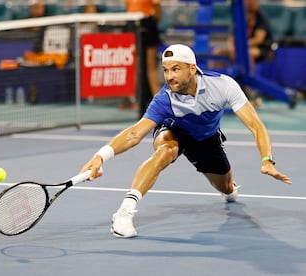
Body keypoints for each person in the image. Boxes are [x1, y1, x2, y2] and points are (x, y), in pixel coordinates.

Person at [79, 44, 292, 238]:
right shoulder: (164, 99)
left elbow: (256, 125)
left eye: (175, 69)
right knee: (166, 150)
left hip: (205, 138)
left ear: (192, 69)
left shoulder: (223, 86)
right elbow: (135, 133)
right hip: (173, 131)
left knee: (227, 189)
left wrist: (267, 160)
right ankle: (124, 213)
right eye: (166, 70)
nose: (169, 77)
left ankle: (228, 187)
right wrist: (101, 156)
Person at [124, 0, 162, 116]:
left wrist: (152, 25)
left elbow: (158, 9)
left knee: (151, 66)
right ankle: (135, 100)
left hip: (148, 23)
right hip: (132, 23)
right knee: (135, 65)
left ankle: (159, 102)